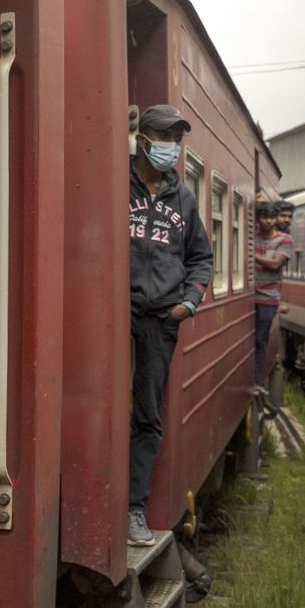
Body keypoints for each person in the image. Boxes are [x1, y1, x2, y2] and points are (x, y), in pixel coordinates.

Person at [128, 105, 213, 546]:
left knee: (147, 416)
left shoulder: (184, 199)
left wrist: (189, 302)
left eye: (177, 139)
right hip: (117, 314)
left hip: (161, 320)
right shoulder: (117, 184)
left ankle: (133, 510)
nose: (172, 148)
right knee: (103, 406)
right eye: (165, 136)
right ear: (142, 139)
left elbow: (201, 258)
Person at [253, 202, 293, 386]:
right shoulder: (253, 238)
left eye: (271, 218)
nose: (268, 221)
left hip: (268, 298)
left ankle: (256, 380)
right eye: (264, 217)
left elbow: (275, 264)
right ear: (258, 220)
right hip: (251, 295)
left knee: (261, 340)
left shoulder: (285, 240)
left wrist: (250, 253)